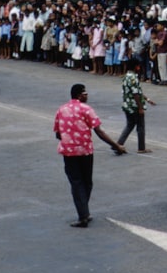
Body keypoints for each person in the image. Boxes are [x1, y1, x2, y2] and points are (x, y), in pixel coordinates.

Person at [54, 83, 126, 228]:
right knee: (86, 182)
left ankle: (83, 212)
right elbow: (99, 132)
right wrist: (116, 145)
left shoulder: (61, 110)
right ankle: (83, 215)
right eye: (85, 93)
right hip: (85, 151)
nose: (87, 96)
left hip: (69, 152)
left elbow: (57, 133)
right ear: (80, 95)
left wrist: (69, 138)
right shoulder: (86, 109)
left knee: (76, 182)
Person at [117, 60, 156, 154]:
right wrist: (140, 108)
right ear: (136, 67)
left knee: (130, 125)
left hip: (127, 104)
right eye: (138, 66)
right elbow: (135, 94)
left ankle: (119, 143)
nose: (139, 68)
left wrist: (147, 99)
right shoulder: (133, 77)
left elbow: (137, 92)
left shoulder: (126, 76)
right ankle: (141, 148)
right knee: (140, 126)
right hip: (134, 105)